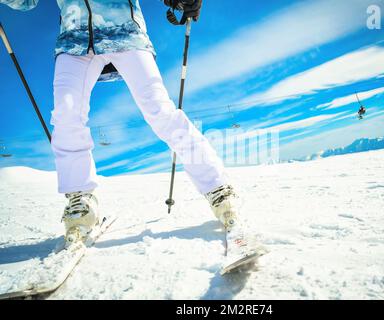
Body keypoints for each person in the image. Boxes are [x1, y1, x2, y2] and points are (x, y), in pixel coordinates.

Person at [1, 0, 264, 261]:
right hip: (74, 42)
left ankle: (218, 189)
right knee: (66, 115)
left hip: (125, 33)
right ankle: (80, 201)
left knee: (160, 111)